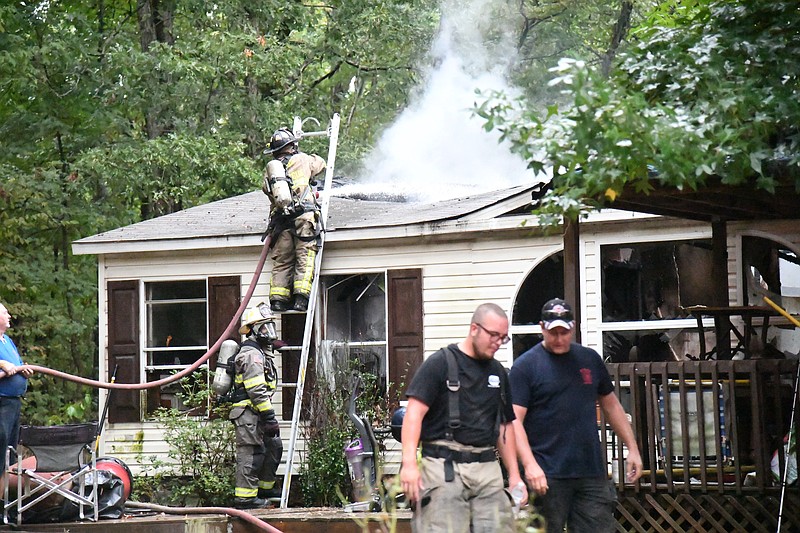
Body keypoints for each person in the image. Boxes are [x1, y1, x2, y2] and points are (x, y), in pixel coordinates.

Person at [509, 298, 643, 533]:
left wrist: (632, 447)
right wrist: (529, 465)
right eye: (553, 333)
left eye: (564, 331)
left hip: (590, 472)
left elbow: (611, 406)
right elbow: (513, 422)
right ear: (542, 328)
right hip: (546, 474)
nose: (559, 338)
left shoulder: (589, 360)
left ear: (573, 326)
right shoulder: (526, 366)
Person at [401, 302, 527, 533]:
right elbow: (413, 414)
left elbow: (505, 427)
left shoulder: (498, 373)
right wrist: (409, 464)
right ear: (474, 329)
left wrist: (515, 476)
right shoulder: (439, 364)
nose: (498, 342)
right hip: (444, 465)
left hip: (487, 467)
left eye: (503, 338)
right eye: (493, 335)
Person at [262, 127, 326, 313]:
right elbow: (320, 164)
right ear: (292, 146)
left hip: (281, 222)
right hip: (304, 217)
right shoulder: (302, 159)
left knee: (282, 260)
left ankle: (278, 300)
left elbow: (266, 190)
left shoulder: (271, 171)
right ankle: (300, 299)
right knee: (305, 255)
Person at [228, 303, 284, 509]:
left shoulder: (260, 352)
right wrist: (269, 416)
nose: (268, 332)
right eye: (263, 328)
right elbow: (256, 389)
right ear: (252, 331)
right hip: (248, 413)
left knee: (273, 447)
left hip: (257, 411)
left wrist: (271, 349)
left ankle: (265, 489)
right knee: (251, 454)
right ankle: (245, 499)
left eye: (270, 327)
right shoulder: (251, 355)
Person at [0, 302, 34, 466]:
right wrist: (1, 364)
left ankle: (9, 489)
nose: (9, 316)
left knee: (11, 448)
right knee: (1, 446)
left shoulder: (7, 340)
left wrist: (24, 369)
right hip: (2, 401)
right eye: (5, 313)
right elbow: (5, 365)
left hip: (14, 401)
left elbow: (18, 363)